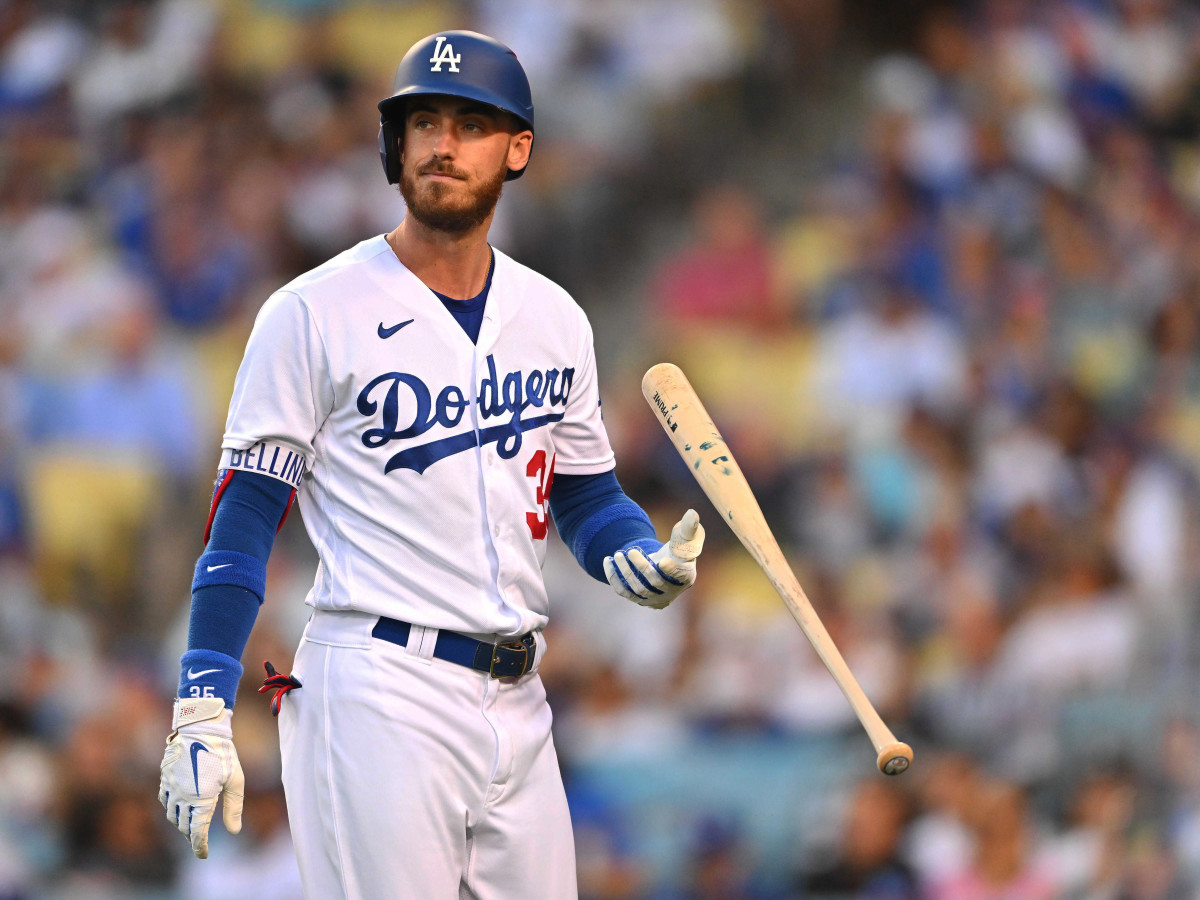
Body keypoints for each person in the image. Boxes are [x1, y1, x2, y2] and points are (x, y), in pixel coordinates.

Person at [156, 30, 704, 899]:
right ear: (395, 144)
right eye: (424, 123)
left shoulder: (555, 317)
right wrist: (203, 701)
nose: (443, 145)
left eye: (472, 125)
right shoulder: (311, 311)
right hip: (377, 686)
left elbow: (588, 498)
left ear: (518, 149)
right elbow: (245, 515)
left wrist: (633, 555)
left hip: (521, 696)